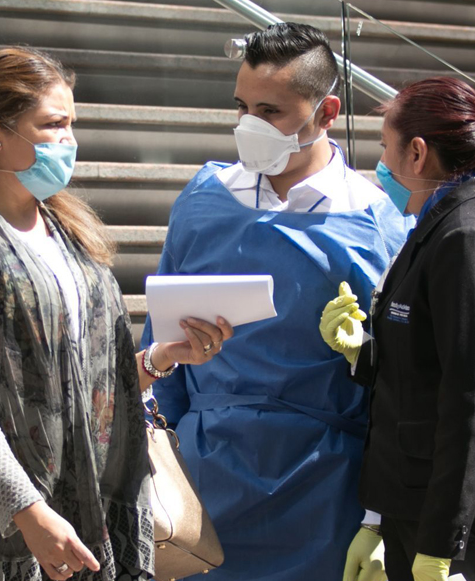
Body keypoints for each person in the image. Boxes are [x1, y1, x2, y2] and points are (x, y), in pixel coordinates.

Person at [0, 47, 232, 581]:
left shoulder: (70, 234)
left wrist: (158, 360)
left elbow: (80, 391)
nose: (69, 141)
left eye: (71, 124)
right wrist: (27, 510)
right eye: (53, 124)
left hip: (81, 521)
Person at [140, 23, 412, 581]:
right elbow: (159, 349)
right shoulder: (203, 200)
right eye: (242, 108)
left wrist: (383, 517)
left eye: (270, 112)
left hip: (326, 487)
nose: (250, 126)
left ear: (327, 112)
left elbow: (402, 384)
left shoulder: (375, 220)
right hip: (204, 481)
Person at [324, 77, 475, 581]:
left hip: (470, 524)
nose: (380, 163)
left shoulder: (467, 234)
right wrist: (363, 353)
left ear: (417, 153)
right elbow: (425, 372)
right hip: (429, 509)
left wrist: (438, 548)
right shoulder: (443, 223)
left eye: (385, 146)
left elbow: (470, 400)